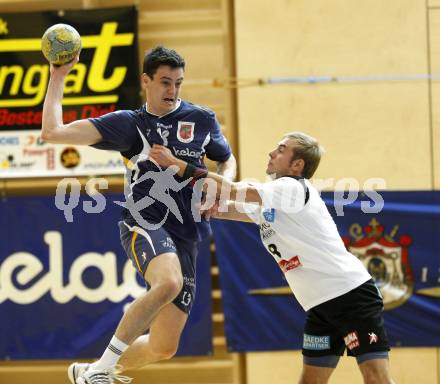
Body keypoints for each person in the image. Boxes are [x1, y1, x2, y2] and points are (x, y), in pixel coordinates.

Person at [41, 46, 236, 384]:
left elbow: (226, 160)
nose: (172, 91)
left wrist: (222, 186)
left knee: (164, 346)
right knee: (168, 283)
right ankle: (101, 372)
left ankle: (88, 371)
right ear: (146, 81)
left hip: (188, 233)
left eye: (178, 83)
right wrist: (57, 78)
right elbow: (53, 132)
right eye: (164, 82)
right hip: (145, 220)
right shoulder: (129, 125)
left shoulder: (202, 118)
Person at [148, 132, 395, 384]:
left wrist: (177, 164)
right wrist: (177, 199)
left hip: (350, 296)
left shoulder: (291, 188)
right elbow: (224, 207)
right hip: (320, 306)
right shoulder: (274, 201)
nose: (271, 153)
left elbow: (231, 190)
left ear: (297, 164)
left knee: (376, 379)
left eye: (281, 149)